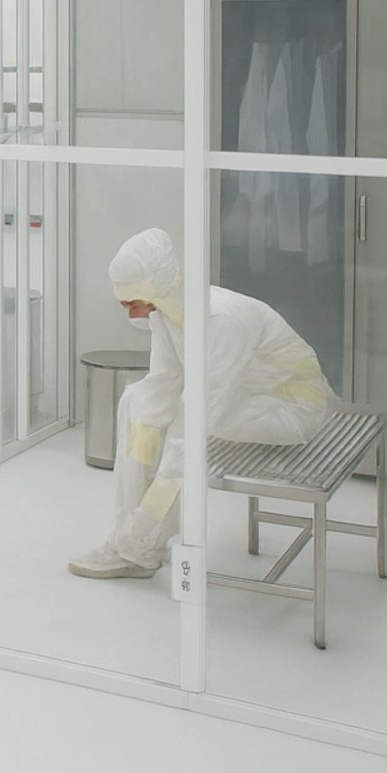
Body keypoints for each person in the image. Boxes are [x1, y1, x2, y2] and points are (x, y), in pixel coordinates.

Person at [69, 228, 331, 580]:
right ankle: (127, 542)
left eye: (133, 301)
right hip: (241, 397)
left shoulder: (220, 321)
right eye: (124, 303)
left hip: (291, 407)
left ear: (154, 287)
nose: (130, 311)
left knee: (184, 427)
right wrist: (146, 428)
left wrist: (146, 516)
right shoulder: (165, 312)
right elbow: (164, 383)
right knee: (138, 400)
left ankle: (141, 543)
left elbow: (194, 421)